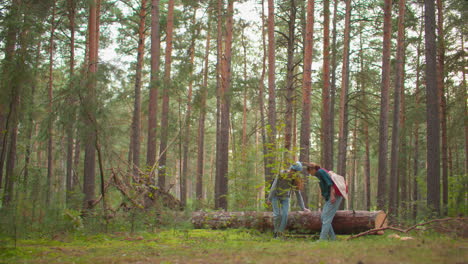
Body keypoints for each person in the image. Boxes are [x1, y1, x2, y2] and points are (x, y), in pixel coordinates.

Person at [267, 161, 311, 238]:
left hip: (285, 197)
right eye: (294, 171)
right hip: (276, 196)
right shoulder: (281, 174)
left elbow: (298, 194)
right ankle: (275, 232)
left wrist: (303, 208)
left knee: (285, 215)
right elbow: (273, 186)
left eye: (296, 172)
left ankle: (280, 233)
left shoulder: (295, 179)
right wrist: (269, 199)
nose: (294, 173)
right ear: (291, 169)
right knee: (277, 215)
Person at [304, 162, 344, 241]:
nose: (309, 173)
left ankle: (322, 239)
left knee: (326, 218)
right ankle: (332, 238)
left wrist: (332, 195)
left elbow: (330, 183)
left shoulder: (320, 172)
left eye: (309, 171)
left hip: (334, 196)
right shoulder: (319, 173)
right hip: (330, 196)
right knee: (323, 217)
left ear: (312, 169)